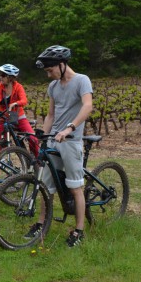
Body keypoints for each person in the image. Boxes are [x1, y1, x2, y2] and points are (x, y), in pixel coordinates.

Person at [29, 45, 93, 247]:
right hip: (54, 140)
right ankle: (40, 223)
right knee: (46, 186)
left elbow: (88, 106)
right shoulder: (53, 87)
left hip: (71, 141)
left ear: (62, 64)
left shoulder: (82, 80)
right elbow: (50, 114)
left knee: (75, 187)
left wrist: (70, 128)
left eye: (50, 70)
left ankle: (79, 230)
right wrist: (44, 135)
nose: (49, 75)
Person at [0, 63, 39, 158]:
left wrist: (15, 103)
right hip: (4, 119)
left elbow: (24, 100)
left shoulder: (18, 87)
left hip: (19, 118)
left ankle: (37, 162)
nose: (0, 77)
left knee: (33, 139)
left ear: (10, 77)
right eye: (0, 75)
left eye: (3, 75)